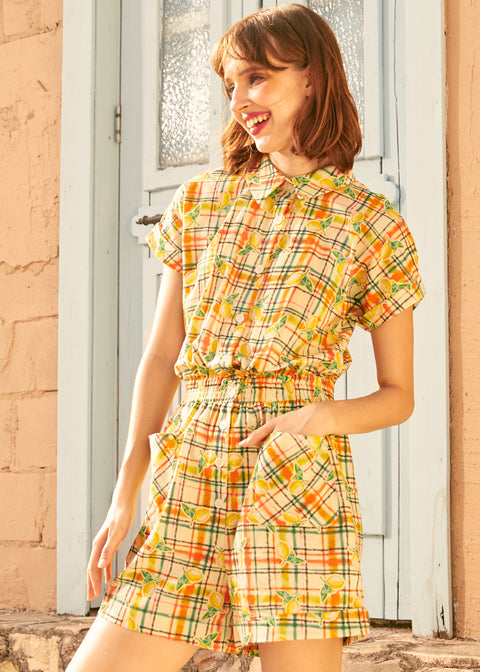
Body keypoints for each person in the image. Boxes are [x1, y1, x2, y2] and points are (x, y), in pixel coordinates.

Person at [66, 5, 425, 672]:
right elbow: (162, 358)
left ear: (312, 77)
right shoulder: (201, 203)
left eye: (257, 78)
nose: (239, 101)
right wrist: (123, 495)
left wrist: (318, 417)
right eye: (231, 84)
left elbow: (398, 395)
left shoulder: (370, 225)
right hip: (193, 474)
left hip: (293, 478)